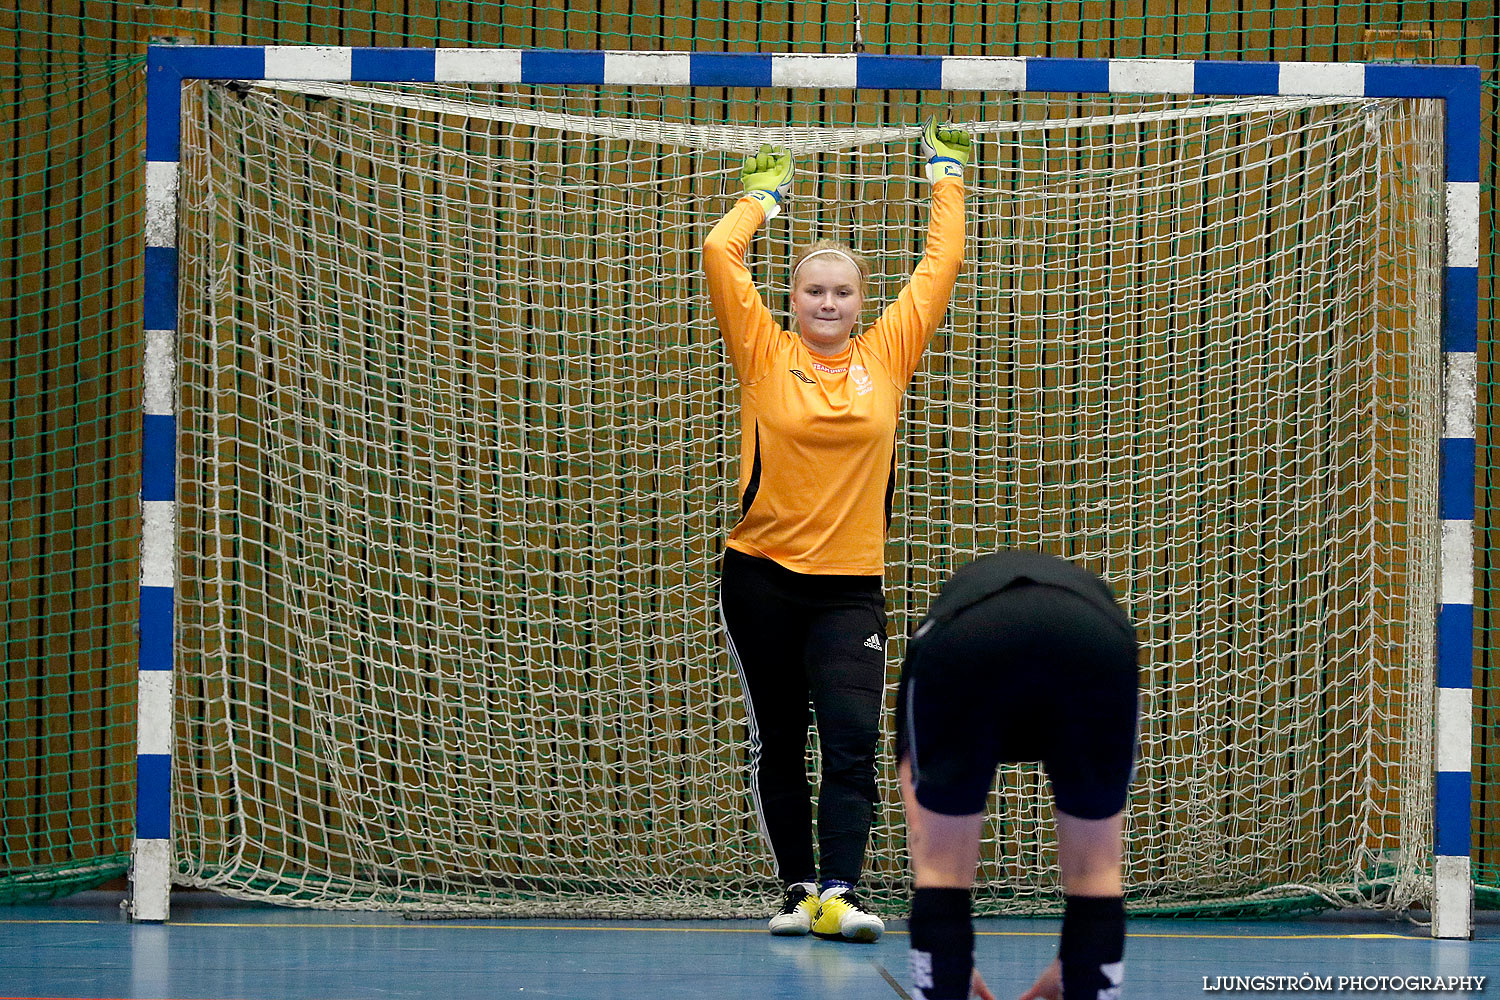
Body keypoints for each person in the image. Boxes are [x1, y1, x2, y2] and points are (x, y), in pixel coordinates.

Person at [702, 120, 970, 942]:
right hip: (760, 578)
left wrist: (946, 176)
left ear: (860, 301)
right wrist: (759, 199)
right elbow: (719, 255)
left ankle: (841, 893)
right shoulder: (761, 351)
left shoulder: (887, 354)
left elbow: (939, 267)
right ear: (792, 301)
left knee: (851, 741)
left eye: (842, 292)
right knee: (780, 738)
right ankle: (795, 895)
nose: (828, 303)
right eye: (814, 291)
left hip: (850, 588)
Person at [896, 550, 1139, 999]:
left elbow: (916, 804)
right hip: (1094, 631)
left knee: (940, 866)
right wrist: (1079, 960)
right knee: (1096, 868)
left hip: (969, 632)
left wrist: (945, 953)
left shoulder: (940, 627)